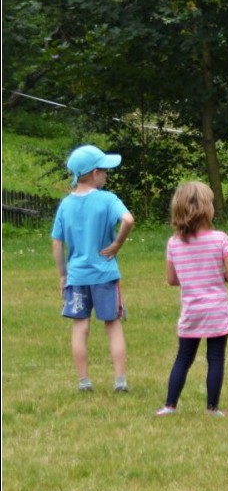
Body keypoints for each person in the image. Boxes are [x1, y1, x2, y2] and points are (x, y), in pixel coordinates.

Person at [51, 144, 135, 393]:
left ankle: (84, 382)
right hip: (105, 274)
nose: (107, 175)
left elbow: (57, 242)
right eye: (105, 170)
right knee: (113, 325)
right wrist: (117, 243)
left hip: (77, 276)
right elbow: (128, 219)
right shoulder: (108, 199)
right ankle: (120, 381)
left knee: (80, 327)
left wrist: (63, 275)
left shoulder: (65, 205)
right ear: (95, 173)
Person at [157, 181, 228, 417]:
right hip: (216, 310)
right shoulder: (220, 238)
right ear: (206, 208)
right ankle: (212, 408)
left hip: (192, 310)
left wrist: (194, 279)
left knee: (183, 358)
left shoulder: (174, 243)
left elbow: (172, 279)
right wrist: (212, 276)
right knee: (215, 358)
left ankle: (170, 405)